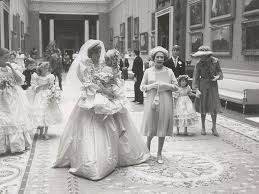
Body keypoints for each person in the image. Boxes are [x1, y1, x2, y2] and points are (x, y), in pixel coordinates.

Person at [54, 40, 149, 180]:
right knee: (91, 129)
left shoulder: (104, 64)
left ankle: (117, 156)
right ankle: (93, 160)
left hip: (107, 98)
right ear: (90, 53)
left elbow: (112, 78)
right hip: (92, 99)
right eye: (95, 52)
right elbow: (86, 83)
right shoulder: (84, 65)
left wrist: (111, 88)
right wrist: (102, 90)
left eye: (99, 52)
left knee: (115, 122)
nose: (99, 54)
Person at [140, 46, 178, 164]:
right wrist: (152, 86)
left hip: (165, 101)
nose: (160, 59)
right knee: (151, 126)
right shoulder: (148, 71)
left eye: (162, 57)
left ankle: (159, 153)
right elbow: (141, 87)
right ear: (153, 58)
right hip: (152, 101)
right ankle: (147, 150)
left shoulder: (169, 71)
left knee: (162, 126)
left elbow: (176, 87)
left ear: (164, 59)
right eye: (158, 57)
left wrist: (166, 86)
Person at [0, 48, 33, 154]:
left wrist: (12, 69)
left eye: (8, 57)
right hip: (2, 98)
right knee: (4, 119)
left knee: (15, 118)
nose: (7, 60)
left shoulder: (11, 67)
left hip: (13, 97)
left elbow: (20, 81)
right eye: (5, 58)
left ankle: (16, 145)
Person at [192, 46, 223, 137]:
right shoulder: (199, 63)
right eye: (200, 56)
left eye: (203, 56)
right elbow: (196, 77)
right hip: (203, 85)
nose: (201, 57)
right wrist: (196, 89)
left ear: (208, 55)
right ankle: (203, 127)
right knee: (203, 105)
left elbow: (220, 72)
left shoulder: (215, 61)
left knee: (214, 106)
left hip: (213, 85)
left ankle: (214, 127)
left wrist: (217, 77)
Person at [28, 62, 62, 140]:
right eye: (44, 68)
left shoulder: (50, 76)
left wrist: (54, 93)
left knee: (47, 113)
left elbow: (52, 86)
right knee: (41, 113)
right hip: (39, 96)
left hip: (48, 96)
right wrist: (42, 86)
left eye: (47, 68)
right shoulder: (36, 77)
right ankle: (41, 131)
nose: (46, 70)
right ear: (40, 69)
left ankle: (45, 133)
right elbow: (34, 87)